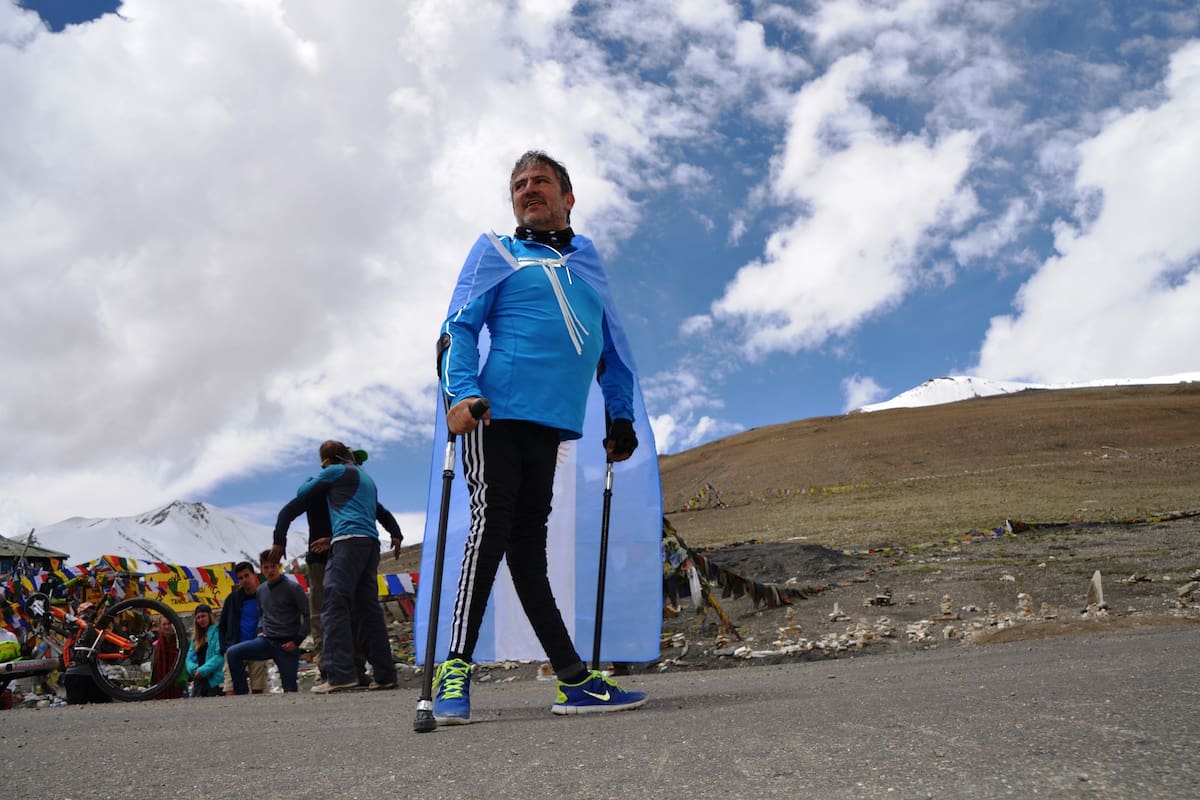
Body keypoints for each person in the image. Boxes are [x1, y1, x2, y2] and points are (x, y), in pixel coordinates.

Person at [433, 150, 646, 723]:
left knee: (527, 549)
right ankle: (454, 668)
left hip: (551, 424)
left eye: (541, 181)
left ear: (568, 197)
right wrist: (461, 393)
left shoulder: (588, 266)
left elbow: (613, 352)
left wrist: (620, 416)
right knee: (492, 526)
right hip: (495, 414)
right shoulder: (498, 251)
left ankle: (572, 680)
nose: (528, 189)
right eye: (519, 184)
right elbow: (458, 326)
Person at [269, 440, 398, 694]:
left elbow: (302, 493)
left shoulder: (336, 472)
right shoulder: (366, 478)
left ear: (327, 461)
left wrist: (279, 539)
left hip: (347, 543)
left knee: (332, 606)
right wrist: (396, 533)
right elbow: (380, 512)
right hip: (370, 544)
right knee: (368, 611)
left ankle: (340, 675)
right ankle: (385, 675)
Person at [225, 551, 310, 694]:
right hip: (267, 641)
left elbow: (309, 615)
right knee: (233, 653)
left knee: (290, 689)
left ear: (279, 566)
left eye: (273, 566)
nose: (270, 571)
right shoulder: (261, 590)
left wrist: (297, 640)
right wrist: (260, 630)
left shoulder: (293, 588)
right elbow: (262, 614)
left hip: (287, 645)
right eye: (266, 567)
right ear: (261, 569)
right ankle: (242, 695)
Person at [217, 561, 269, 695]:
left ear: (254, 575)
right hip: (234, 648)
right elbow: (222, 626)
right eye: (240, 578)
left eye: (247, 576)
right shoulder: (232, 599)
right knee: (230, 690)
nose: (244, 580)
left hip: (257, 647)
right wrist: (224, 648)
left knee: (258, 690)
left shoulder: (264, 596)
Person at [184, 604, 223, 697]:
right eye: (198, 617)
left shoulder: (218, 632)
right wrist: (194, 669)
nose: (201, 620)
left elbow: (219, 655)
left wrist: (203, 670)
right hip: (198, 681)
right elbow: (189, 657)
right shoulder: (195, 638)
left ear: (209, 616)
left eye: (203, 616)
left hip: (214, 680)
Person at [152, 612, 186, 700]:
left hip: (178, 684)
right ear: (160, 626)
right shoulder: (157, 645)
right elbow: (154, 666)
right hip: (161, 683)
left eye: (169, 624)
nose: (167, 627)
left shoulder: (181, 642)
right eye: (164, 624)